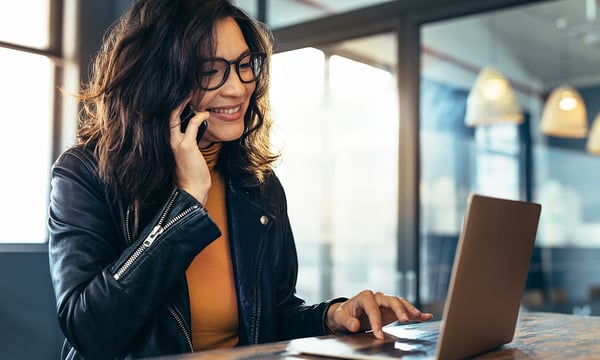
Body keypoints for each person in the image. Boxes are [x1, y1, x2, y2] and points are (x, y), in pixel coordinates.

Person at [47, 0, 433, 359]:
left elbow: (272, 316)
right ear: (158, 80)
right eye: (209, 71)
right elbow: (91, 332)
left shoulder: (258, 185)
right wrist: (186, 200)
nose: (237, 87)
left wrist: (332, 316)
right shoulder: (83, 174)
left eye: (245, 64)